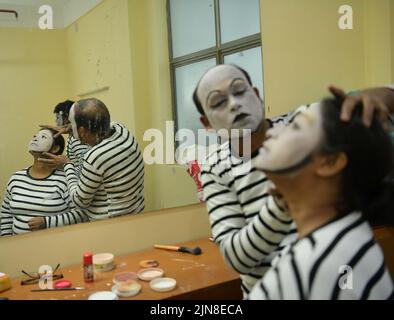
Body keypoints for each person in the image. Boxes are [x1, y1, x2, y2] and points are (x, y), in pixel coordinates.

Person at [193, 64, 394, 296]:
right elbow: (235, 257)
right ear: (206, 123)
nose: (234, 104)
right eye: (218, 102)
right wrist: (281, 204)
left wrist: (374, 96)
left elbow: (361, 111)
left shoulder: (306, 121)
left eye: (240, 91)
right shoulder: (214, 166)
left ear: (257, 95)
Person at [249, 98, 394, 299]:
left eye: (295, 127)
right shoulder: (344, 238)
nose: (272, 131)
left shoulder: (320, 263)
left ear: (330, 162)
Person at [38, 98, 145, 222]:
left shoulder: (95, 157)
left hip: (112, 224)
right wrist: (73, 128)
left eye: (72, 124)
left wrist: (67, 165)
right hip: (137, 214)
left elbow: (79, 201)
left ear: (83, 131)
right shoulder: (121, 130)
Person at [0, 129, 86, 236]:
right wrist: (7, 241)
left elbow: (82, 215)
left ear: (55, 148)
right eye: (35, 136)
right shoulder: (16, 178)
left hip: (55, 246)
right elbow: (5, 215)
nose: (35, 138)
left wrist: (47, 222)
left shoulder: (64, 180)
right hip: (17, 247)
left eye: (43, 137)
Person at [50, 100, 90, 176]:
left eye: (58, 117)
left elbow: (86, 168)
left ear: (67, 119)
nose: (56, 121)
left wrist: (65, 165)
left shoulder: (77, 139)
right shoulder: (74, 136)